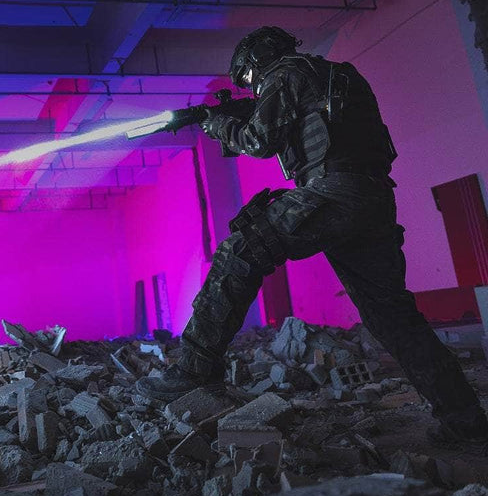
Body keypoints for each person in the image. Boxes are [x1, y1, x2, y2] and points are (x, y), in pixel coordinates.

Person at [136, 26, 488, 442]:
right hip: (372, 198)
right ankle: (464, 418)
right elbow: (313, 123)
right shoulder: (337, 75)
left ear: (258, 61)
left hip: (330, 192)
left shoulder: (286, 73)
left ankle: (193, 368)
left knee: (239, 250)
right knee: (393, 316)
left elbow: (260, 140)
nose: (252, 86)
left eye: (249, 78)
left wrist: (215, 125)